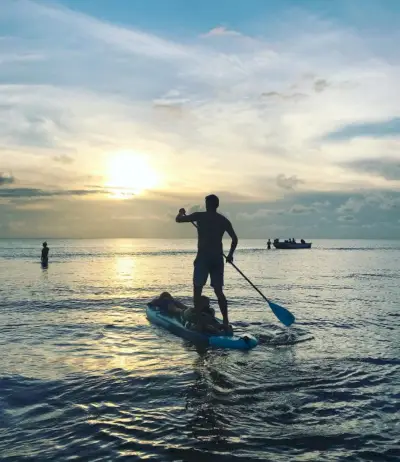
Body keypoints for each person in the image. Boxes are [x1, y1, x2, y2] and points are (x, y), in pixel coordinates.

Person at [176, 194, 237, 333]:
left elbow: (178, 220)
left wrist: (180, 213)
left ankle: (199, 323)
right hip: (217, 259)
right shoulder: (223, 220)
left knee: (197, 290)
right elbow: (234, 239)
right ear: (217, 205)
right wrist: (230, 255)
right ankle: (226, 323)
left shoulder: (200, 216)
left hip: (203, 258)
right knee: (219, 291)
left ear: (207, 204)